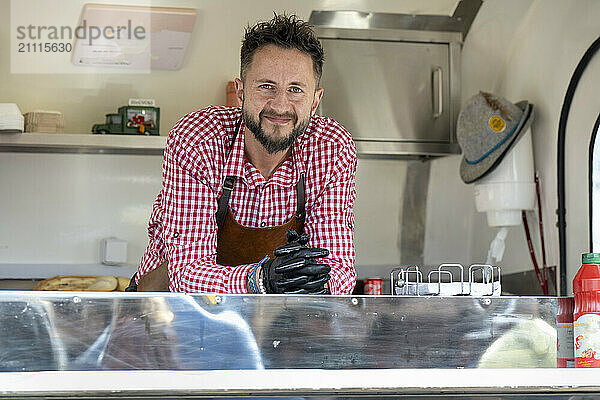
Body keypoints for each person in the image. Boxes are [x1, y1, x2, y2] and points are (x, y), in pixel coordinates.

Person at [131, 13, 357, 295]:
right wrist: (260, 280)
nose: (280, 105)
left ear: (315, 102)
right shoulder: (198, 139)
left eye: (296, 90)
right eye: (266, 87)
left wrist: (316, 285)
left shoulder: (331, 148)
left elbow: (339, 267)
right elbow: (187, 273)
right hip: (173, 315)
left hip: (278, 322)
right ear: (240, 93)